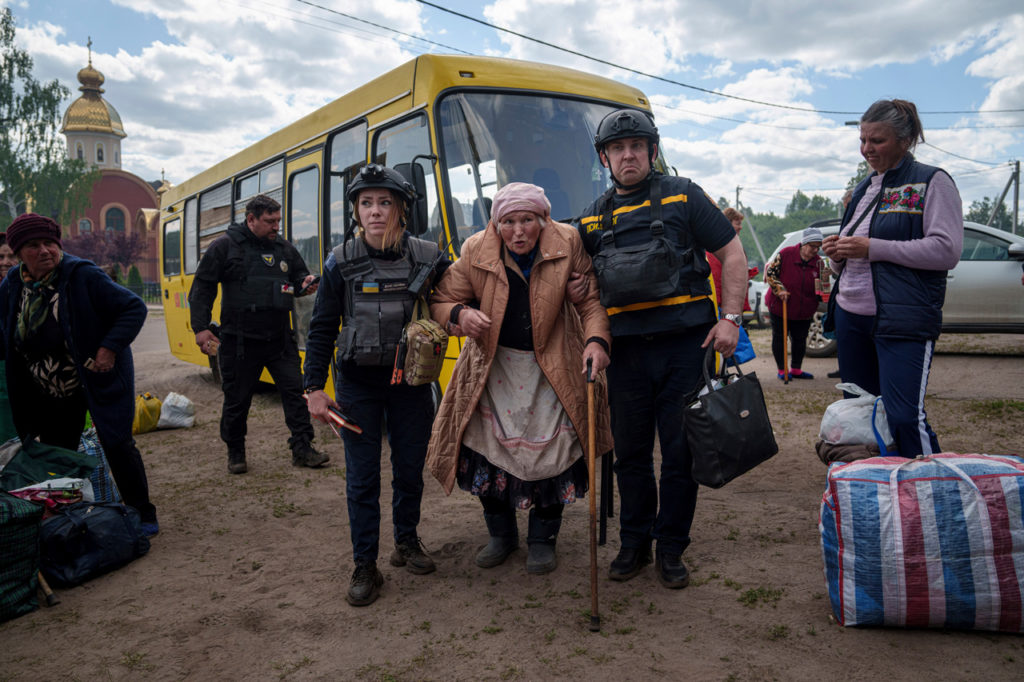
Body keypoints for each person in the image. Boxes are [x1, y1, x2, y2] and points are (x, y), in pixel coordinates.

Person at [573, 109, 746, 588]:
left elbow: (732, 252)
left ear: (652, 151)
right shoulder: (591, 217)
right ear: (604, 158)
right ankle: (633, 544)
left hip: (685, 347)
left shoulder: (685, 195)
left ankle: (671, 548)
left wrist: (731, 319)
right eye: (618, 148)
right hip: (624, 355)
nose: (628, 155)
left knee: (679, 453)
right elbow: (579, 283)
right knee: (629, 454)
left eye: (637, 146)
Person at [426, 182, 613, 577]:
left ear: (543, 220)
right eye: (508, 222)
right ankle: (502, 535)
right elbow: (440, 299)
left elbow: (592, 301)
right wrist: (460, 315)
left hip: (553, 366)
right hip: (493, 371)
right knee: (486, 453)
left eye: (527, 220)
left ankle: (543, 540)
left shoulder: (568, 241)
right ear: (496, 225)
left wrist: (596, 341)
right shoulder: (477, 249)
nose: (518, 231)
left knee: (555, 454)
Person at [303, 164, 449, 607]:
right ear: (355, 211)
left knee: (409, 469)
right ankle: (365, 564)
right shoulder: (340, 262)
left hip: (410, 384)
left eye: (385, 202)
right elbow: (322, 326)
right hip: (356, 387)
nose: (375, 212)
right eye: (366, 203)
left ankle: (406, 542)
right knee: (362, 479)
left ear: (402, 209)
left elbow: (456, 296)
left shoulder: (429, 256)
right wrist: (313, 387)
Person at [0, 213, 158, 535]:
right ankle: (77, 516)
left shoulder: (81, 275)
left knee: (117, 444)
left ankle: (143, 514)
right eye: (33, 245)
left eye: (50, 243)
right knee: (60, 452)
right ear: (18, 254)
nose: (45, 250)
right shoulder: (13, 285)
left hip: (98, 375)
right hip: (53, 388)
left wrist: (108, 348)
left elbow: (133, 307)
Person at [822, 99, 962, 457]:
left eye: (877, 140)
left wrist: (872, 247)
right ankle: (883, 498)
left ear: (906, 140)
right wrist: (837, 254)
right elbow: (856, 258)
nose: (867, 149)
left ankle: (933, 493)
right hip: (851, 317)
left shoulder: (933, 181)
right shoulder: (862, 189)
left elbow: (946, 251)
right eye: (863, 140)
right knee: (862, 415)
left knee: (902, 416)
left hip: (902, 319)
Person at [189, 194, 326, 475]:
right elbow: (202, 288)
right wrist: (201, 328)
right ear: (251, 220)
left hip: (278, 341)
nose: (276, 226)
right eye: (270, 221)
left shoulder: (284, 249)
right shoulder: (225, 247)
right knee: (237, 401)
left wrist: (307, 284)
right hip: (239, 343)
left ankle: (303, 449)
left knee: (295, 394)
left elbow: (299, 280)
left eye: (278, 220)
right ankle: (235, 451)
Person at [764, 227, 823, 380]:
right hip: (780, 306)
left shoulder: (819, 263)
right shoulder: (785, 254)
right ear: (804, 244)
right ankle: (782, 370)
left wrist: (822, 291)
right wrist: (780, 289)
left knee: (800, 338)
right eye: (812, 246)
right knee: (780, 337)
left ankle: (796, 369)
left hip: (804, 309)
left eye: (818, 247)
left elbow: (822, 287)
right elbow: (770, 274)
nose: (815, 250)